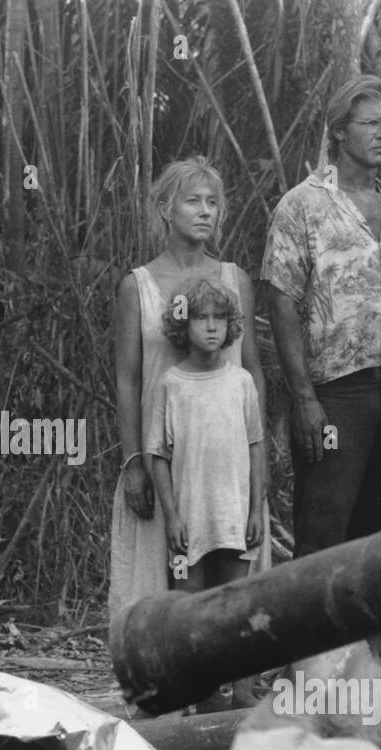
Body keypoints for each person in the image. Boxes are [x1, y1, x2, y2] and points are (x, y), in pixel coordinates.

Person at [261, 74, 381, 661]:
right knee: (324, 534)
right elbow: (279, 299)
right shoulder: (302, 206)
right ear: (338, 132)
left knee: (380, 539)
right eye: (372, 124)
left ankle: (371, 673)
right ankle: (310, 671)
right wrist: (304, 398)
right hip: (335, 395)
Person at [110, 156, 267, 629]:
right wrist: (134, 461)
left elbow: (253, 369)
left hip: (224, 465)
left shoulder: (233, 280)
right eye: (192, 201)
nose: (205, 212)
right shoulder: (137, 287)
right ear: (165, 209)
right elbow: (128, 379)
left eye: (213, 203)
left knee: (231, 586)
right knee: (169, 589)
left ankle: (234, 689)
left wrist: (256, 466)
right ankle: (173, 688)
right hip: (166, 461)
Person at [146, 277, 265, 595]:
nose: (212, 327)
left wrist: (255, 511)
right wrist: (171, 517)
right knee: (186, 606)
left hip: (235, 522)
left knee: (236, 606)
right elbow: (157, 456)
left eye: (220, 318)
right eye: (200, 317)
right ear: (183, 325)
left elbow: (255, 448)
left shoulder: (241, 382)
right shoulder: (170, 385)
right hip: (187, 527)